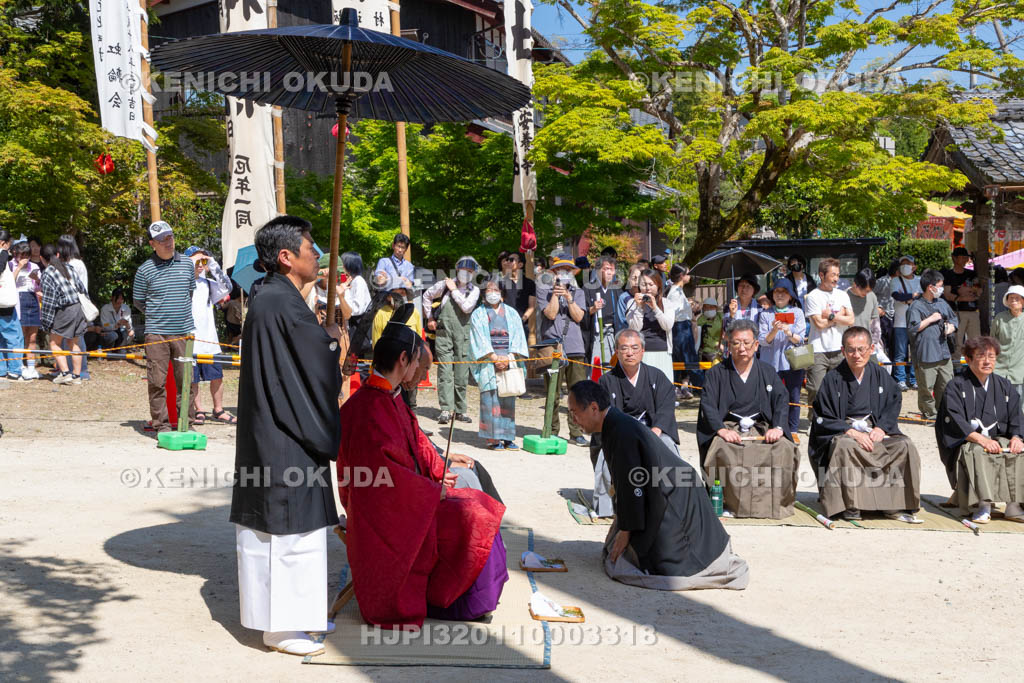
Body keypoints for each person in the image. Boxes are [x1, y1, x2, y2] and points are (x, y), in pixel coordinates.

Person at [338, 315, 507, 627]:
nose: (418, 370)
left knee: (476, 501)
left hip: (407, 502)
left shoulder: (388, 397)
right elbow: (381, 478)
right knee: (475, 514)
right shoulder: (368, 409)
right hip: (383, 515)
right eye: (417, 362)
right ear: (403, 359)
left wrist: (439, 467)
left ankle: (468, 599)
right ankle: (461, 603)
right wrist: (431, 491)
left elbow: (416, 440)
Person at [230, 216, 344, 657]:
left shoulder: (273, 297)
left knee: (292, 533)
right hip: (284, 434)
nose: (316, 255)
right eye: (310, 248)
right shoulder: (280, 302)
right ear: (286, 257)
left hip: (276, 428)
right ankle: (281, 628)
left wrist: (322, 338)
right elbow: (310, 364)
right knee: (287, 534)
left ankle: (301, 617)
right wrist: (331, 342)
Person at [568, 381, 749, 591]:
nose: (573, 420)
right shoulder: (614, 425)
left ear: (593, 408)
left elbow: (631, 486)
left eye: (574, 412)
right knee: (617, 551)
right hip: (662, 489)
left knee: (661, 565)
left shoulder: (620, 430)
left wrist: (626, 530)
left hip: (672, 496)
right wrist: (622, 522)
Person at [809, 326, 922, 523]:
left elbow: (894, 400)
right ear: (843, 351)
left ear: (871, 349)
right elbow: (822, 416)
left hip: (874, 429)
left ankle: (893, 504)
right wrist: (849, 431)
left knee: (904, 445)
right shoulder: (832, 379)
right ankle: (851, 504)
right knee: (845, 446)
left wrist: (882, 427)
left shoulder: (880, 375)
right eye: (851, 349)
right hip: (845, 432)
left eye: (862, 349)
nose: (856, 355)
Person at [697, 320, 800, 518]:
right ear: (729, 345)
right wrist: (722, 430)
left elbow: (781, 399)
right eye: (736, 343)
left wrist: (778, 427)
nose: (741, 348)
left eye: (746, 343)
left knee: (784, 447)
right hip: (729, 426)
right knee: (722, 447)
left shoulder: (767, 371)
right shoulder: (716, 373)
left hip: (762, 427)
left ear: (756, 345)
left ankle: (775, 502)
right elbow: (708, 404)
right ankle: (729, 503)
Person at [589, 329, 683, 517]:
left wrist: (656, 430)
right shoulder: (607, 380)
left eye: (634, 348)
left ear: (643, 350)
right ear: (616, 351)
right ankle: (607, 506)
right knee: (608, 454)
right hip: (619, 434)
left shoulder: (657, 376)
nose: (629, 353)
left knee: (667, 447)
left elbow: (666, 407)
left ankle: (674, 499)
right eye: (624, 348)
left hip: (653, 431)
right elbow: (603, 414)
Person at [936, 336, 1024, 523]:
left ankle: (1014, 504)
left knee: (1018, 451)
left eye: (991, 357)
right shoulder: (956, 386)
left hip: (998, 439)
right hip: (969, 440)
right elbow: (954, 420)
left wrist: (1017, 437)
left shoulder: (1004, 385)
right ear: (968, 359)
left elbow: (1017, 415)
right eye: (981, 356)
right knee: (978, 452)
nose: (987, 361)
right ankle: (982, 504)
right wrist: (981, 439)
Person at [132, 221, 197, 433]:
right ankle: (161, 425)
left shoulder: (187, 264)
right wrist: (158, 315)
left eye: (170, 237)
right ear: (152, 244)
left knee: (185, 381)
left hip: (184, 333)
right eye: (162, 239)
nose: (168, 242)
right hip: (156, 334)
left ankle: (186, 423)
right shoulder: (144, 270)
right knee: (156, 381)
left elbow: (189, 292)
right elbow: (138, 301)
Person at [536, 254, 589, 446]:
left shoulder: (579, 292)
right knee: (553, 392)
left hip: (575, 347)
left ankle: (576, 432)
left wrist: (569, 296)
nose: (563, 273)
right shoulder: (544, 290)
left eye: (567, 270)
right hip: (552, 346)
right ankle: (551, 430)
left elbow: (578, 317)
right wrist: (557, 295)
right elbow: (550, 313)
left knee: (579, 393)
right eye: (559, 270)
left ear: (573, 272)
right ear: (553, 273)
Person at [470, 279, 529, 450]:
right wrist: (494, 357)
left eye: (496, 289)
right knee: (490, 400)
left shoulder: (511, 313)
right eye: (489, 290)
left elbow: (518, 337)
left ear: (502, 294)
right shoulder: (478, 314)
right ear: (484, 294)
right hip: (489, 361)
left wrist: (508, 357)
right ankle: (493, 438)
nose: (493, 293)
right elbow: (478, 338)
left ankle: (508, 437)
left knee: (507, 398)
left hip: (509, 359)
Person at [422, 256, 480, 424]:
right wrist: (430, 317)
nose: (466, 274)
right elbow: (427, 295)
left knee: (462, 373)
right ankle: (446, 410)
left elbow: (467, 307)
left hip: (463, 335)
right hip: (444, 333)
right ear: (457, 269)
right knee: (445, 372)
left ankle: (460, 410)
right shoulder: (443, 285)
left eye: (470, 271)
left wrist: (454, 290)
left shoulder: (474, 290)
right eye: (464, 270)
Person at [183, 246, 236, 425]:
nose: (200, 265)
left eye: (202, 261)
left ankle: (218, 409)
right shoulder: (182, 282)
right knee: (193, 378)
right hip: (190, 340)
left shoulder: (208, 284)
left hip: (210, 340)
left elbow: (227, 287)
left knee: (217, 376)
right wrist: (190, 262)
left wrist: (211, 263)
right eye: (197, 261)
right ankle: (199, 410)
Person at [803, 258, 855, 421]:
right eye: (832, 275)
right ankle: (815, 420)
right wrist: (839, 317)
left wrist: (831, 316)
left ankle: (835, 419)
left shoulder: (843, 295)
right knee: (816, 388)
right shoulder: (813, 296)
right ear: (821, 275)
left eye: (838, 275)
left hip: (839, 348)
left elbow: (851, 320)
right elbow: (819, 324)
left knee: (839, 387)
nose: (836, 279)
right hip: (818, 349)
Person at [758, 279, 806, 435]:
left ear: (790, 296)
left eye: (784, 292)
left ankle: (793, 430)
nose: (779, 295)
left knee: (794, 396)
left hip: (792, 361)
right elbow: (763, 341)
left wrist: (788, 332)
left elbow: (800, 339)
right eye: (777, 291)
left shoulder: (797, 312)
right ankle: (771, 426)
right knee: (770, 395)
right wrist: (773, 330)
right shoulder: (765, 314)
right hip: (770, 362)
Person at [907, 269, 957, 420]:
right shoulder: (915, 306)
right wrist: (930, 319)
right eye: (940, 286)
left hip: (943, 352)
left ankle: (944, 413)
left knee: (947, 385)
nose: (941, 289)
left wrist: (951, 327)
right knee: (926, 389)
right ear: (931, 287)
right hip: (926, 354)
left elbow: (954, 319)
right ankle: (930, 415)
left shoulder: (942, 303)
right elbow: (912, 328)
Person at [37, 243, 88, 385]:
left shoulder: (47, 273)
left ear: (42, 258)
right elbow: (82, 289)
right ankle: (76, 376)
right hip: (78, 308)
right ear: (58, 255)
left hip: (64, 310)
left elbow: (49, 302)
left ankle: (65, 373)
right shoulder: (69, 268)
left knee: (54, 343)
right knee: (74, 342)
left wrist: (46, 323)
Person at [625, 269, 674, 381]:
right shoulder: (632, 303)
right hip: (641, 353)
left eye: (651, 284)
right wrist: (639, 308)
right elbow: (634, 329)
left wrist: (655, 307)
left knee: (662, 388)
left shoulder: (667, 303)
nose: (647, 288)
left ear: (658, 285)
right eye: (643, 284)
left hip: (662, 351)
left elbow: (667, 325)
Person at [57, 234, 90, 380]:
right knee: (72, 339)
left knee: (75, 339)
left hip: (73, 305)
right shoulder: (78, 263)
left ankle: (80, 371)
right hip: (77, 305)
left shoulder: (73, 264)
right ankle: (72, 370)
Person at [942, 246, 982, 362]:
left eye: (966, 257)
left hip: (973, 312)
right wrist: (963, 296)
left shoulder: (972, 273)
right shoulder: (948, 275)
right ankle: (956, 366)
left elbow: (978, 291)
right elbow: (947, 294)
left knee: (976, 341)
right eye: (962, 257)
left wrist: (962, 291)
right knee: (957, 341)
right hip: (956, 312)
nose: (965, 259)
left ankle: (975, 364)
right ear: (954, 258)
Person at [9, 240, 41, 379]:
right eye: (22, 255)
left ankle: (31, 367)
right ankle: (19, 366)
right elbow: (8, 283)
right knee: (20, 336)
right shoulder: (10, 264)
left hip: (32, 299)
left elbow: (39, 287)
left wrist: (37, 280)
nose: (24, 259)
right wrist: (18, 268)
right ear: (16, 254)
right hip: (18, 300)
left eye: (27, 255)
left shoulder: (34, 266)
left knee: (32, 337)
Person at [585, 254, 623, 367]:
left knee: (612, 366)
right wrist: (592, 309)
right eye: (606, 269)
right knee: (597, 366)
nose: (609, 272)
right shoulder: (588, 288)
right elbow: (582, 313)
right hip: (597, 333)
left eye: (612, 269)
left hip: (613, 332)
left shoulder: (616, 289)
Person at [891, 255, 922, 391]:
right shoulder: (895, 280)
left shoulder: (921, 280)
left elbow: (922, 297)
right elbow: (897, 296)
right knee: (900, 353)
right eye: (902, 263)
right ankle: (901, 379)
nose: (905, 266)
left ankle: (914, 379)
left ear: (914, 267)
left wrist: (908, 299)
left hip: (917, 322)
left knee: (916, 351)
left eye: (908, 263)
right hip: (900, 322)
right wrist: (912, 296)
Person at [666, 264, 697, 399]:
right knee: (683, 356)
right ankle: (678, 387)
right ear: (681, 276)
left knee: (685, 356)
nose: (689, 276)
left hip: (683, 326)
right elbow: (673, 311)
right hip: (679, 327)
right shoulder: (675, 292)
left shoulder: (679, 290)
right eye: (688, 273)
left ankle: (684, 386)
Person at [0, 231, 26, 382]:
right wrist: (4, 252)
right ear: (3, 243)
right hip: (5, 306)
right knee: (15, 338)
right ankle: (15, 371)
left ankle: (2, 369)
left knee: (1, 339)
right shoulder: (2, 254)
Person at [992, 285, 1024, 400]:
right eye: (1011, 298)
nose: (1014, 301)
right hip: (999, 369)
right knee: (999, 403)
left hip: (1020, 371)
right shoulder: (999, 318)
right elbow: (992, 343)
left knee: (1019, 406)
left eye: (1017, 298)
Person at [497, 250, 536, 327]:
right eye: (507, 259)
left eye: (511, 260)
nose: (508, 262)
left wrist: (521, 320)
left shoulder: (529, 283)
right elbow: (499, 304)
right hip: (505, 324)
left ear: (520, 264)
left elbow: (531, 306)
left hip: (523, 325)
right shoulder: (501, 282)